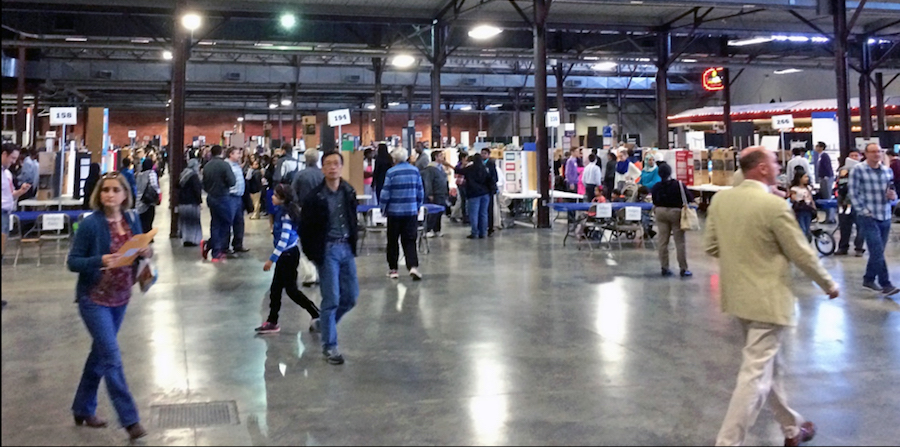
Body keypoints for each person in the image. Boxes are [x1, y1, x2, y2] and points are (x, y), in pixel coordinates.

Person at [704, 146, 839, 447]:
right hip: (768, 300)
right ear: (762, 169)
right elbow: (801, 252)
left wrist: (743, 251)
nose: (779, 166)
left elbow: (712, 247)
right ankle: (727, 442)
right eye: (775, 162)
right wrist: (828, 283)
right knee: (754, 376)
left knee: (769, 368)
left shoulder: (721, 201)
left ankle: (792, 429)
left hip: (738, 297)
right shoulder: (773, 206)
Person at [66, 171, 151, 441]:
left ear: (125, 194)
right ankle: (130, 420)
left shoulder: (132, 219)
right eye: (105, 190)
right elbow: (73, 262)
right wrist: (100, 260)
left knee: (99, 355)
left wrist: (146, 252)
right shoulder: (91, 224)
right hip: (94, 299)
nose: (110, 194)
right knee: (112, 358)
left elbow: (141, 249)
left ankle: (82, 408)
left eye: (115, 190)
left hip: (121, 298)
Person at [299, 151, 360, 366]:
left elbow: (353, 220)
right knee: (332, 298)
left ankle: (323, 323)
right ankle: (330, 346)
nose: (332, 167)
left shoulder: (349, 192)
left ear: (341, 167)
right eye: (328, 164)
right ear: (322, 168)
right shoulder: (315, 198)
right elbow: (304, 229)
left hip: (346, 249)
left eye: (336, 164)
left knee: (351, 296)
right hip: (327, 250)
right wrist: (314, 254)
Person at [255, 184, 321, 334]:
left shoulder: (286, 215)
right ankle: (272, 321)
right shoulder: (284, 212)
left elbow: (284, 241)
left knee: (291, 290)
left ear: (283, 199)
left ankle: (316, 313)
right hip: (286, 255)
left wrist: (271, 260)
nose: (272, 197)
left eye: (276, 195)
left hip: (288, 256)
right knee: (275, 290)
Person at [849, 143, 899, 296]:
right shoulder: (858, 170)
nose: (877, 154)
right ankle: (886, 283)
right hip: (868, 216)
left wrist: (893, 197)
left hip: (884, 215)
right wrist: (863, 211)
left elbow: (892, 191)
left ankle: (869, 278)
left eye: (879, 151)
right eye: (873, 152)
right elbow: (853, 193)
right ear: (866, 153)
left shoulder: (887, 170)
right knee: (876, 250)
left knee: (878, 251)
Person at [380, 148, 425, 280]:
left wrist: (383, 208)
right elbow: (420, 191)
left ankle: (393, 270)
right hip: (411, 211)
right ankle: (413, 267)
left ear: (394, 159)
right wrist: (418, 206)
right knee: (410, 240)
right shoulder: (415, 171)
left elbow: (385, 193)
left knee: (393, 241)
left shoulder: (391, 172)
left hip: (394, 212)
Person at [651, 162, 693, 278]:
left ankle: (664, 267)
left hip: (660, 212)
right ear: (670, 172)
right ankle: (683, 269)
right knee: (679, 241)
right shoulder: (678, 185)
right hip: (676, 213)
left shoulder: (656, 187)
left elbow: (654, 201)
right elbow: (689, 198)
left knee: (662, 241)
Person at [200, 145, 236, 262]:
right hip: (223, 197)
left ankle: (215, 252)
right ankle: (213, 246)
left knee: (215, 224)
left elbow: (204, 184)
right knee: (226, 223)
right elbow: (232, 182)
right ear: (222, 152)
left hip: (211, 197)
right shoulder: (225, 165)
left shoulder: (207, 166)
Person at [2, 144, 31, 269]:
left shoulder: (7, 174)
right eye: (12, 158)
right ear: (4, 154)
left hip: (7, 212)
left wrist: (21, 192)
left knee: (3, 241)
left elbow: (10, 195)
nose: (13, 162)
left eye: (15, 159)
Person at [834, 166, 865, 256]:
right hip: (844, 203)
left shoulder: (863, 173)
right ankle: (843, 247)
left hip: (859, 204)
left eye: (856, 156)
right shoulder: (843, 173)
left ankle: (859, 248)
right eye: (852, 155)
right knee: (844, 226)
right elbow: (839, 190)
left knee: (861, 227)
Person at [461, 153, 492, 239]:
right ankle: (483, 232)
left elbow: (458, 171)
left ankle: (475, 233)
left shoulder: (469, 169)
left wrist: (463, 164)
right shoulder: (485, 169)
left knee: (474, 214)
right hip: (485, 193)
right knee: (484, 214)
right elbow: (490, 180)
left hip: (473, 193)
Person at [422, 150, 450, 238]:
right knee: (433, 213)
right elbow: (428, 182)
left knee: (440, 212)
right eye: (441, 156)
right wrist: (429, 193)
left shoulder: (440, 167)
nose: (443, 157)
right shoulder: (430, 168)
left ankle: (437, 230)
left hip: (442, 193)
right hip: (435, 193)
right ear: (436, 157)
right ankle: (428, 230)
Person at [226, 147, 249, 255]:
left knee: (239, 222)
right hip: (230, 197)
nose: (239, 156)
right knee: (228, 222)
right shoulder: (227, 166)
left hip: (239, 197)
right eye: (237, 154)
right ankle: (225, 246)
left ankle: (238, 244)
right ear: (231, 154)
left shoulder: (236, 165)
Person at [178, 158, 203, 247]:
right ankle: (193, 239)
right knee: (193, 222)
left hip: (182, 202)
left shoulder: (183, 174)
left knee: (185, 222)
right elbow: (196, 190)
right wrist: (200, 201)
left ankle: (186, 239)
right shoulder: (193, 176)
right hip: (192, 202)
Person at [134, 158, 159, 237]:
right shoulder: (151, 173)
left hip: (139, 200)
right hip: (148, 200)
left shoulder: (138, 174)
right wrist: (158, 194)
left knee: (142, 220)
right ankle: (148, 237)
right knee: (149, 220)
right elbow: (154, 185)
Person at [789, 172, 817, 242]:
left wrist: (814, 208)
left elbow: (811, 198)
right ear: (799, 178)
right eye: (805, 177)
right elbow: (793, 199)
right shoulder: (794, 189)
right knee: (802, 228)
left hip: (808, 209)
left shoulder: (808, 188)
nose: (807, 179)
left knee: (807, 228)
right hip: (800, 210)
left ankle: (806, 241)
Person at [813, 142, 836, 223]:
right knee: (825, 197)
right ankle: (828, 217)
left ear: (821, 147)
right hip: (823, 178)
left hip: (826, 178)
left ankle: (830, 218)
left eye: (817, 146)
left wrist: (826, 177)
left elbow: (827, 167)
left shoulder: (824, 155)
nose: (815, 148)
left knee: (827, 198)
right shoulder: (820, 156)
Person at [481, 148, 500, 236]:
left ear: (488, 155)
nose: (483, 155)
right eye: (482, 153)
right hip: (481, 190)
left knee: (489, 209)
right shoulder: (479, 164)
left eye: (485, 153)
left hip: (489, 190)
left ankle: (490, 227)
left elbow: (495, 178)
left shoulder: (491, 164)